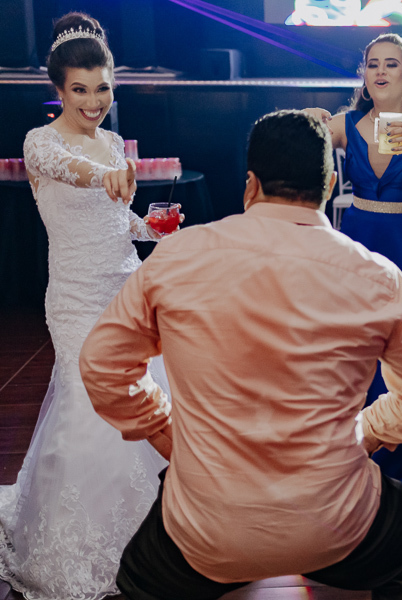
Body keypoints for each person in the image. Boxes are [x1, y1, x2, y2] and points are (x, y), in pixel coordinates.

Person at [78, 109, 402, 600]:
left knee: (139, 580)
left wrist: (165, 431)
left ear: (250, 184)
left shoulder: (176, 257)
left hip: (207, 531)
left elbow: (102, 366)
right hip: (337, 525)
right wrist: (366, 432)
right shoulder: (376, 275)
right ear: (332, 181)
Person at [0, 12, 176, 600]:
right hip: (73, 299)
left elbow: (114, 216)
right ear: (58, 90)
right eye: (80, 89)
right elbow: (77, 175)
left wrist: (148, 226)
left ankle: (158, 537)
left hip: (126, 289)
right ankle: (80, 543)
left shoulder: (111, 144)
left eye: (102, 87)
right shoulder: (42, 144)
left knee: (147, 400)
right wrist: (109, 174)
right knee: (88, 405)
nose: (93, 100)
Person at [305, 33, 402, 495]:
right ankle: (354, 451)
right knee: (357, 347)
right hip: (359, 244)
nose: (379, 72)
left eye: (391, 64)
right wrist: (311, 122)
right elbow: (298, 142)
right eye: (372, 64)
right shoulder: (349, 122)